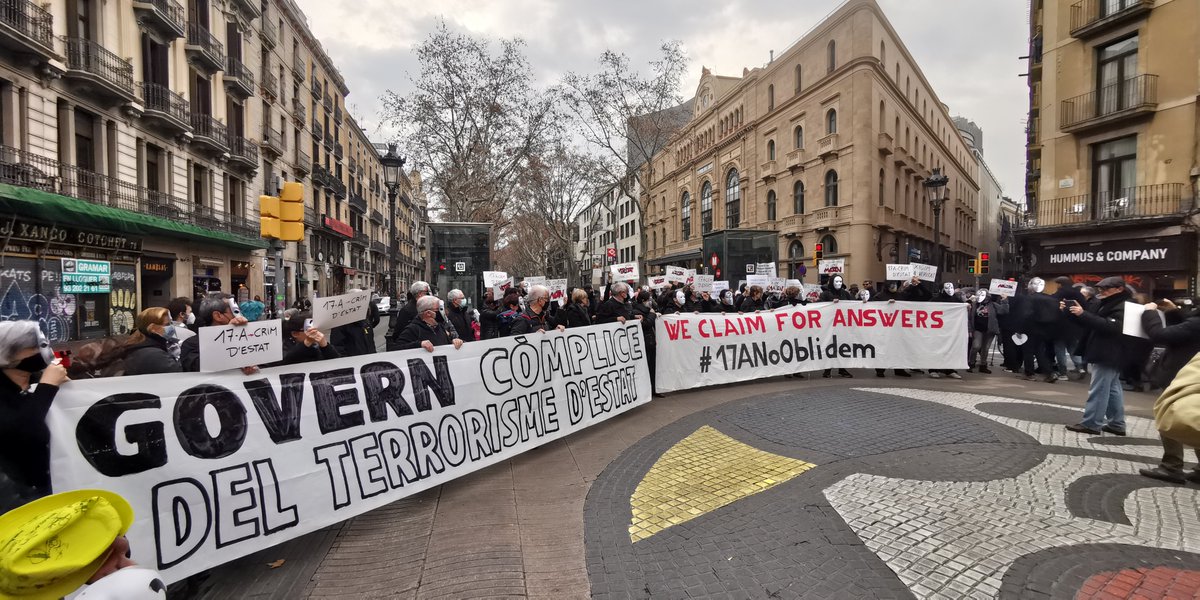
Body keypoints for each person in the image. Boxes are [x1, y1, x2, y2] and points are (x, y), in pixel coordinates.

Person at [0, 322, 68, 509]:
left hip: (53, 487)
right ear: (7, 354)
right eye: (32, 348)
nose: (40, 352)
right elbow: (22, 432)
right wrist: (47, 388)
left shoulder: (37, 379)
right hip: (18, 499)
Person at [1136, 298, 1200, 483]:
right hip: (1193, 375)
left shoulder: (1195, 324)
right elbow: (1185, 329)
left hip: (1182, 375)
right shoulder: (1193, 324)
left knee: (1171, 414)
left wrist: (1150, 313)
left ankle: (1171, 466)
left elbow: (1160, 334)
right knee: (1195, 417)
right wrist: (1173, 312)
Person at [1063, 276, 1133, 435]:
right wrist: (1074, 312)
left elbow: (1111, 327)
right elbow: (1091, 321)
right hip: (1109, 351)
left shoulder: (1124, 305)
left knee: (1100, 388)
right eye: (1100, 289)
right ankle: (1117, 423)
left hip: (1109, 351)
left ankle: (1091, 423)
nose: (1102, 292)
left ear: (1119, 289)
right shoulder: (1110, 302)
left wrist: (1083, 314)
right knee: (1112, 388)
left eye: (1106, 289)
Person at [1013, 277, 1059, 383]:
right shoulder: (1049, 299)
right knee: (1040, 352)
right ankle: (1050, 373)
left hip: (1029, 329)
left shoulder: (1029, 298)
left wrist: (1019, 329)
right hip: (1043, 329)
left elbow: (1025, 315)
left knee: (1028, 351)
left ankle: (1029, 373)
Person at [121, 307, 183, 376]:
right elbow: (177, 374)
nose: (172, 327)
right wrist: (179, 358)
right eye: (167, 324)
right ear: (153, 328)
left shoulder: (139, 345)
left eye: (171, 323)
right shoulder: (155, 355)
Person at [394, 296, 465, 351]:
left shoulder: (440, 326)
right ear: (428, 313)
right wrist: (419, 344)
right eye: (439, 309)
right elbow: (396, 349)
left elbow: (445, 344)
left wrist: (455, 341)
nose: (444, 312)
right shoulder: (413, 329)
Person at [1051, 277, 1087, 380]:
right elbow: (1085, 307)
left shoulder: (1058, 294)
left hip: (1060, 327)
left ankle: (1063, 373)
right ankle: (1080, 368)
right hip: (1075, 327)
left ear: (1060, 284)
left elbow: (1051, 305)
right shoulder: (1078, 294)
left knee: (1060, 350)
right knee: (1073, 348)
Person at [273, 312, 342, 365]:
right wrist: (306, 343)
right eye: (309, 329)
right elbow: (284, 362)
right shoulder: (281, 347)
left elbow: (337, 363)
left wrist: (325, 346)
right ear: (295, 334)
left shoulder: (315, 346)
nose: (315, 332)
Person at [821, 276, 855, 378]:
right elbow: (819, 306)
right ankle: (827, 370)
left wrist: (863, 302)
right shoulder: (825, 294)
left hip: (843, 325)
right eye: (836, 281)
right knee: (831, 347)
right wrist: (830, 304)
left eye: (840, 281)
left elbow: (854, 304)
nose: (839, 283)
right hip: (830, 326)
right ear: (832, 282)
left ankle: (842, 369)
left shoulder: (845, 294)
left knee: (842, 347)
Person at [386, 281, 433, 351]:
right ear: (420, 294)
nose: (429, 295)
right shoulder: (407, 311)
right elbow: (399, 335)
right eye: (427, 293)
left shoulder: (424, 307)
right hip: (414, 350)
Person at [968, 290, 1007, 374]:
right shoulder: (974, 304)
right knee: (976, 346)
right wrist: (970, 329)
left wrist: (1004, 300)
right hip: (978, 329)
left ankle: (983, 365)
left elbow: (1004, 311)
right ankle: (971, 363)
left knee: (985, 349)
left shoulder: (993, 305)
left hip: (990, 330)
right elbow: (969, 318)